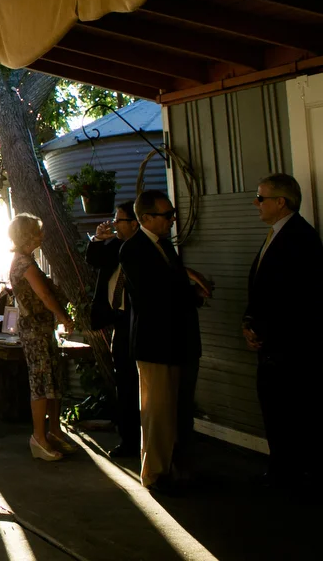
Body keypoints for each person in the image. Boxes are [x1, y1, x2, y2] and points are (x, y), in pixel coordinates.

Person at [245, 173, 323, 486]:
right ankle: (284, 470)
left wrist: (266, 331)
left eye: (261, 198)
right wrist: (249, 323)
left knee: (305, 411)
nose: (255, 203)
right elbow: (263, 288)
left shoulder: (300, 237)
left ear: (280, 202)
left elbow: (296, 297)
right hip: (271, 344)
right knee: (278, 412)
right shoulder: (275, 235)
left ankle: (318, 479)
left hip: (293, 346)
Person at [120, 190, 205, 490]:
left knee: (181, 411)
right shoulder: (133, 250)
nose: (172, 220)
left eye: (171, 214)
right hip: (156, 344)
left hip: (181, 341)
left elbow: (175, 287)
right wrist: (188, 292)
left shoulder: (165, 246)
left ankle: (180, 469)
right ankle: (156, 474)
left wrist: (193, 292)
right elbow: (153, 295)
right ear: (145, 218)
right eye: (166, 215)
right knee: (158, 413)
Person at [7, 214, 77, 461]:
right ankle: (39, 437)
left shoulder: (26, 261)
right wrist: (64, 318)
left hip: (41, 330)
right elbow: (45, 295)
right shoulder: (24, 265)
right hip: (35, 331)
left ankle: (54, 430)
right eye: (37, 231)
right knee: (41, 383)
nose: (41, 235)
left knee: (52, 381)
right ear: (27, 235)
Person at [86, 202, 140, 458]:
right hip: (118, 320)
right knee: (125, 382)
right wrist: (98, 238)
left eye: (119, 220)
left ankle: (141, 439)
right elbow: (94, 259)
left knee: (137, 383)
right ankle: (128, 438)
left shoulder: (143, 248)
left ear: (135, 223)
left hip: (137, 321)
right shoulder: (116, 245)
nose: (114, 224)